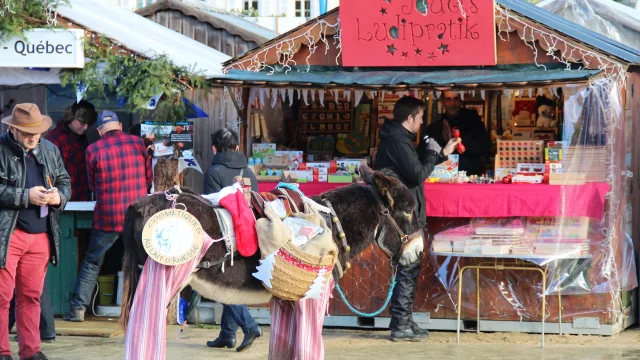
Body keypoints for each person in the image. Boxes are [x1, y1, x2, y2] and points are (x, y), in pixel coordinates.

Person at [375, 96, 459, 342]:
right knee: (408, 268)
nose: (422, 121)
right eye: (420, 117)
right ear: (409, 118)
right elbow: (418, 174)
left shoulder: (399, 140)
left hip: (406, 211)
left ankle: (405, 321)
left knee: (409, 269)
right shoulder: (398, 142)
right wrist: (433, 153)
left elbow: (416, 169)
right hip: (403, 214)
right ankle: (400, 326)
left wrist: (441, 153)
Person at [64, 111, 152, 322]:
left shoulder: (93, 149)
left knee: (93, 260)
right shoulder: (137, 143)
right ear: (120, 125)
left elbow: (93, 185)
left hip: (108, 215)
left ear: (99, 130)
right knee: (143, 262)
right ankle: (146, 311)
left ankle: (78, 309)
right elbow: (149, 179)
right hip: (137, 214)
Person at [0, 103, 71, 360]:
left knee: (31, 297)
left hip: (40, 235)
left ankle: (31, 351)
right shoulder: (1, 149)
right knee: (2, 296)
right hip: (8, 234)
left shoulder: (49, 149)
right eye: (28, 133)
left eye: (37, 132)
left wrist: (59, 197)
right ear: (13, 129)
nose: (33, 137)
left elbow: (64, 180)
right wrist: (24, 195)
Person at [204, 128, 262, 353]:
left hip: (224, 237)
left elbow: (211, 209)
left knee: (221, 284)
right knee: (233, 282)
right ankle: (227, 335)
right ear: (237, 148)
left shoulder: (213, 172)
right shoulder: (249, 171)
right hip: (249, 236)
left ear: (214, 149)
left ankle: (249, 325)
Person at [424, 91, 491, 176]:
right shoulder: (435, 126)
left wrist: (460, 143)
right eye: (448, 99)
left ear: (460, 100)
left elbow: (485, 147)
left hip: (470, 176)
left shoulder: (472, 120)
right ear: (443, 102)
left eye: (456, 99)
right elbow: (426, 155)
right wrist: (442, 139)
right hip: (443, 178)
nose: (452, 103)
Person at [45, 100, 97, 201]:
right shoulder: (54, 139)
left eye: (89, 124)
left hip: (82, 198)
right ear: (71, 118)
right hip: (62, 200)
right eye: (82, 123)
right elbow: (47, 173)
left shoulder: (81, 137)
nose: (86, 127)